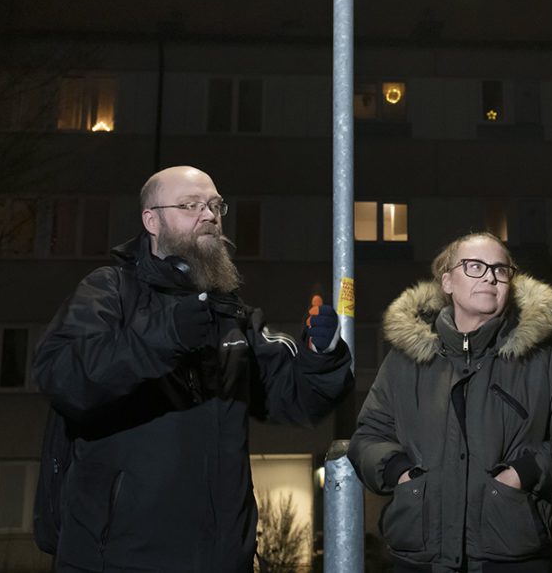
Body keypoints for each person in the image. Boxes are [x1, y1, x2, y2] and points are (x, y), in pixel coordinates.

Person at [32, 165, 353, 573]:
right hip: (116, 559)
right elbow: (62, 375)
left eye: (215, 205)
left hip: (222, 560)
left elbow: (295, 401)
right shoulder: (110, 290)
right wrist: (165, 334)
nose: (209, 215)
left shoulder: (231, 313)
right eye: (190, 205)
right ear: (152, 220)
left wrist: (321, 354)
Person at [348, 232, 552, 572]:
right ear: (448, 281)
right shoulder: (405, 360)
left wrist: (523, 473)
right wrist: (400, 473)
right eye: (474, 266)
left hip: (511, 556)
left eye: (500, 269)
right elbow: (367, 437)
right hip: (419, 558)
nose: (489, 276)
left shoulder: (545, 357)